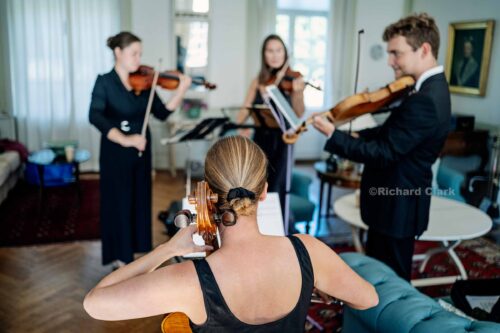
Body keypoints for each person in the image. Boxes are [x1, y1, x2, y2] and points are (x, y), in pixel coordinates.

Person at [84, 136, 378, 331]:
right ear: (264, 191)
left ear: (208, 194)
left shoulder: (190, 280)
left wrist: (168, 249)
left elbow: (94, 303)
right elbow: (369, 299)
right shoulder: (308, 251)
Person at [313, 13, 451, 281]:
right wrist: (354, 134)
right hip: (397, 204)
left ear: (424, 49)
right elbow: (393, 132)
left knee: (391, 283)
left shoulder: (426, 99)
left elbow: (385, 153)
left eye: (396, 53)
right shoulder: (429, 89)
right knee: (381, 276)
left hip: (397, 206)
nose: (390, 61)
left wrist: (335, 137)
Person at [89, 31, 192, 268]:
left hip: (141, 154)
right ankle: (120, 258)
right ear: (118, 52)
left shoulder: (145, 82)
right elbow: (95, 116)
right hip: (116, 154)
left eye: (140, 54)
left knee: (139, 202)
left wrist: (181, 90)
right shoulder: (104, 82)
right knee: (119, 203)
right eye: (133, 53)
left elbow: (163, 112)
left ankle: (135, 254)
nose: (138, 59)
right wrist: (126, 139)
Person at [236, 34, 305, 219]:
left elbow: (298, 113)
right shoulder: (258, 81)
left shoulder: (294, 78)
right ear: (264, 55)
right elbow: (244, 110)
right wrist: (241, 124)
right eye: (270, 51)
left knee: (277, 187)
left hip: (283, 140)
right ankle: (261, 226)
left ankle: (279, 227)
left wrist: (297, 94)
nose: (274, 55)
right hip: (260, 140)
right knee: (258, 186)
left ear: (285, 53)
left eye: (278, 50)